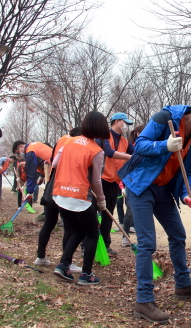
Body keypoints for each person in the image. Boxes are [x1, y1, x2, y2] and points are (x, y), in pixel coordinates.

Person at [118, 93, 191, 324]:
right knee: (147, 242)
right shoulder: (164, 117)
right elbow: (140, 146)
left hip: (164, 190)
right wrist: (165, 145)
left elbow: (190, 169)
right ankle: (144, 301)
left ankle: (183, 283)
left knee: (178, 234)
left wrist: (187, 194)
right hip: (141, 185)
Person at [52, 111, 109, 285]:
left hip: (60, 194)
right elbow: (96, 180)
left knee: (77, 230)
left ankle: (63, 265)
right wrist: (101, 200)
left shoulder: (68, 142)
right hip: (79, 197)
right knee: (92, 233)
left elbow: (54, 164)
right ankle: (86, 274)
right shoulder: (96, 150)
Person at [33, 127, 82, 272]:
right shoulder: (73, 144)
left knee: (49, 222)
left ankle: (40, 256)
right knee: (70, 227)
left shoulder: (60, 141)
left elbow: (51, 163)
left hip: (52, 186)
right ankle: (66, 262)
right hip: (65, 187)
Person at [96, 112, 133, 256]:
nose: (126, 126)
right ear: (117, 121)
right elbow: (109, 152)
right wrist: (130, 157)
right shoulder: (104, 135)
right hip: (100, 180)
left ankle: (105, 244)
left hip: (113, 182)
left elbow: (136, 153)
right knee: (93, 213)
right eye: (125, 123)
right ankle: (87, 245)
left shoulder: (124, 141)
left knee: (108, 214)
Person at [120, 124, 145, 247]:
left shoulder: (147, 147)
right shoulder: (132, 148)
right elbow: (123, 167)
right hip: (130, 182)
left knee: (142, 211)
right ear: (137, 134)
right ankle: (125, 236)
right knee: (129, 211)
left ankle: (143, 238)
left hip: (143, 183)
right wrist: (122, 185)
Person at [23, 142, 52, 206]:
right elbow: (44, 160)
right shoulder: (37, 146)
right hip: (52, 174)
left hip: (53, 176)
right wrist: (42, 176)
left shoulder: (30, 151)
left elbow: (31, 173)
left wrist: (30, 192)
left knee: (47, 198)